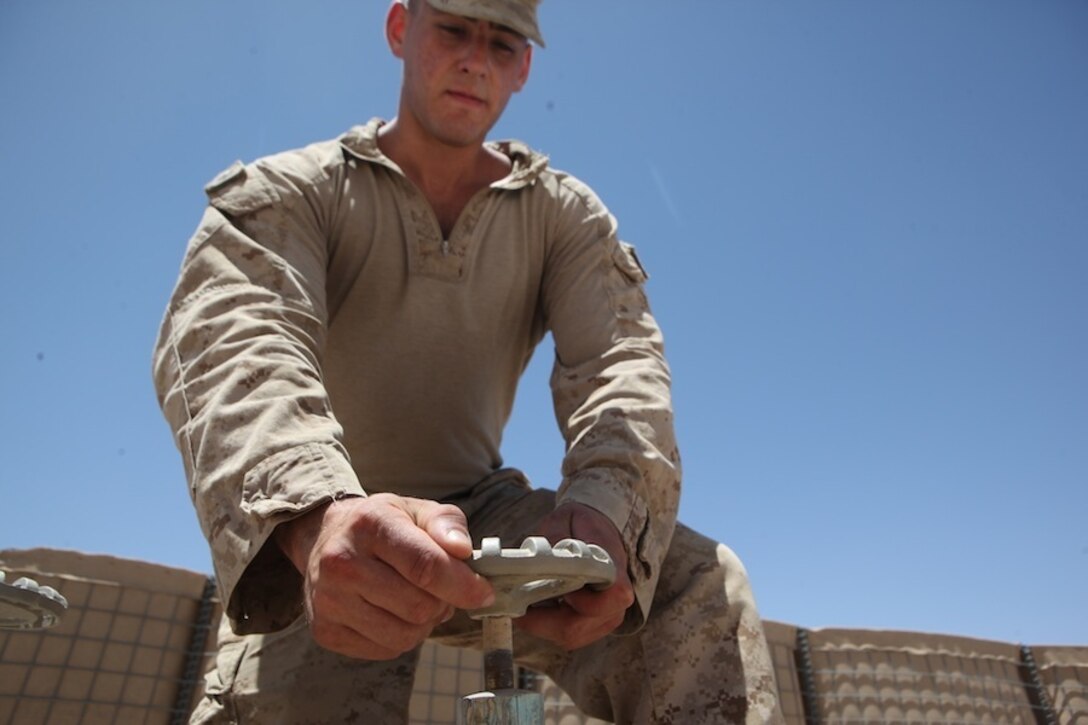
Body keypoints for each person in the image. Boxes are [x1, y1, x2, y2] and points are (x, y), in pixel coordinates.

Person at [153, 0, 782, 722]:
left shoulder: (563, 218)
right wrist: (312, 515)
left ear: (525, 68)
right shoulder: (294, 193)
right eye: (453, 28)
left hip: (480, 515)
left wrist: (607, 511)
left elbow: (621, 367)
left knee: (697, 588)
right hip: (328, 525)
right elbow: (236, 342)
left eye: (502, 43)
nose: (475, 60)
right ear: (399, 28)